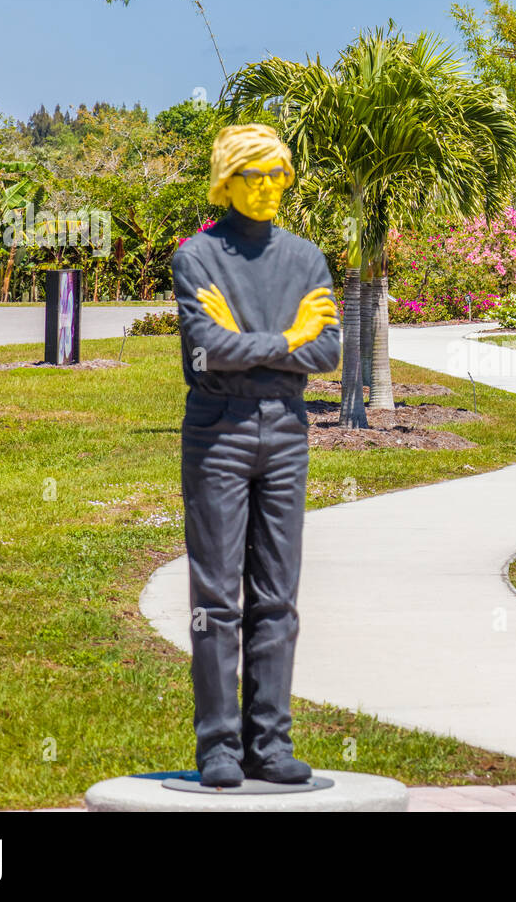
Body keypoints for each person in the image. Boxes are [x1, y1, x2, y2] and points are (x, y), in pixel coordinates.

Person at [171, 123, 340, 787]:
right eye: (254, 175)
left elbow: (327, 353)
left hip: (287, 433)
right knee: (216, 595)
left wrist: (255, 340)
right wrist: (288, 337)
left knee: (278, 593)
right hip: (220, 431)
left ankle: (269, 742)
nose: (268, 187)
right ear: (227, 181)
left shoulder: (305, 258)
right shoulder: (198, 257)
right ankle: (218, 744)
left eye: (278, 175)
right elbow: (202, 354)